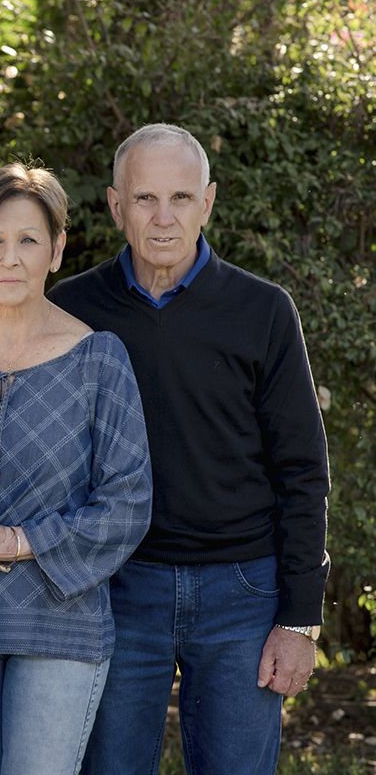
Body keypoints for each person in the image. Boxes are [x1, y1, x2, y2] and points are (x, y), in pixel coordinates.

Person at [47, 123, 330, 775]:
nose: (164, 217)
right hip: (119, 589)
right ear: (117, 207)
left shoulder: (264, 310)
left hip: (244, 593)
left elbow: (302, 469)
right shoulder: (72, 311)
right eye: (145, 199)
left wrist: (299, 618)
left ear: (208, 202)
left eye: (181, 198)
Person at [0, 163, 152, 775]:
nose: (10, 258)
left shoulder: (99, 359)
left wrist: (13, 540)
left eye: (28, 239)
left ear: (56, 251)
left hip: (62, 628)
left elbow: (128, 505)